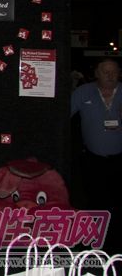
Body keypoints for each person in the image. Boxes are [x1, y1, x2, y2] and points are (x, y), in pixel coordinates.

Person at [70, 57, 122, 249]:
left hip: (120, 159)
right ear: (96, 74)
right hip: (94, 159)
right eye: (105, 72)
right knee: (95, 201)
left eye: (114, 72)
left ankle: (117, 245)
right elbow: (62, 115)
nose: (110, 75)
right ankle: (97, 242)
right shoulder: (83, 92)